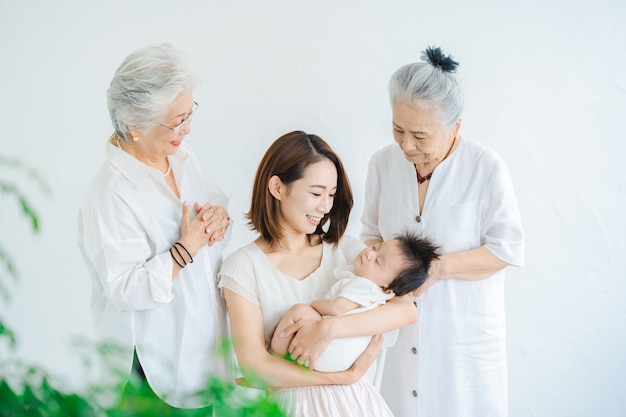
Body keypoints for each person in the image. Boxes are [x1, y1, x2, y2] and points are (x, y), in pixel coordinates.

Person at [360, 45, 525, 417]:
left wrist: (438, 268)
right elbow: (371, 231)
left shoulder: (486, 167)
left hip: (463, 340)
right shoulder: (382, 164)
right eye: (397, 129)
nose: (406, 144)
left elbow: (507, 248)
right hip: (395, 336)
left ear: (456, 127)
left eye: (419, 135)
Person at [218, 131, 419, 417]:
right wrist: (336, 378)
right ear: (277, 187)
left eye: (331, 195)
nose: (325, 207)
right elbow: (253, 364)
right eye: (316, 193)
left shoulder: (347, 250)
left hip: (353, 406)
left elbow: (406, 310)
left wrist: (328, 328)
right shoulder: (243, 266)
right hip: (287, 408)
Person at [78, 43, 232, 411]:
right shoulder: (110, 195)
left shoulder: (179, 155)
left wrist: (217, 219)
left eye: (189, 113)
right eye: (176, 121)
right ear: (134, 126)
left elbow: (215, 205)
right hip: (152, 367)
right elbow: (126, 289)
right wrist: (186, 248)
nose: (188, 128)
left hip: (201, 351)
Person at [270, 232, 439, 373]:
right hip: (343, 359)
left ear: (387, 288)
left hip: (330, 349)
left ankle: (274, 356)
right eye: (375, 247)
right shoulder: (379, 293)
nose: (368, 254)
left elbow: (336, 308)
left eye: (378, 262)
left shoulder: (363, 285)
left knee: (298, 311)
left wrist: (315, 304)